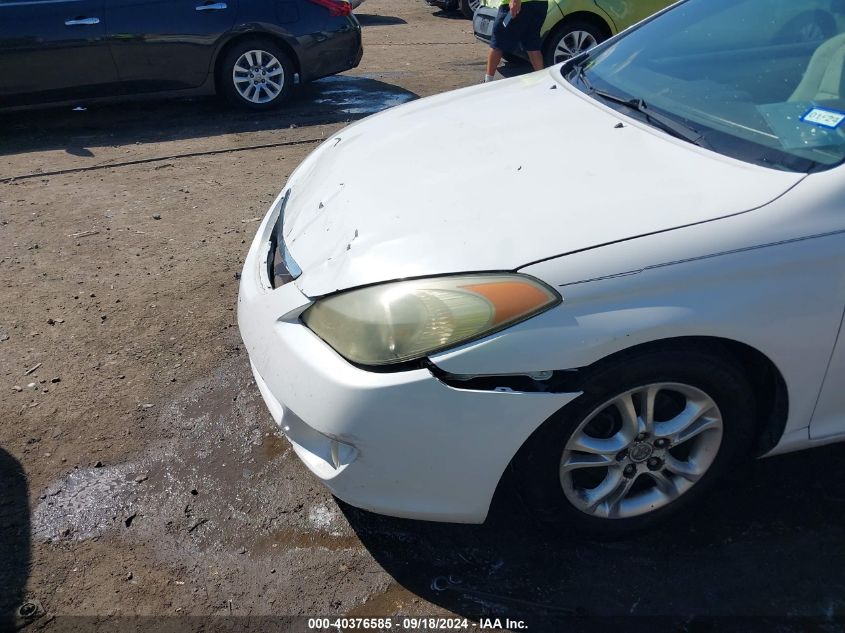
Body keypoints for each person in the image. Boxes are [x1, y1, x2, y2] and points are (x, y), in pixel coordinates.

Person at [485, 0, 549, 82]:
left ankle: (488, 82)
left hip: (519, 6)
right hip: (539, 4)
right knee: (532, 44)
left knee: (498, 42)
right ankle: (542, 82)